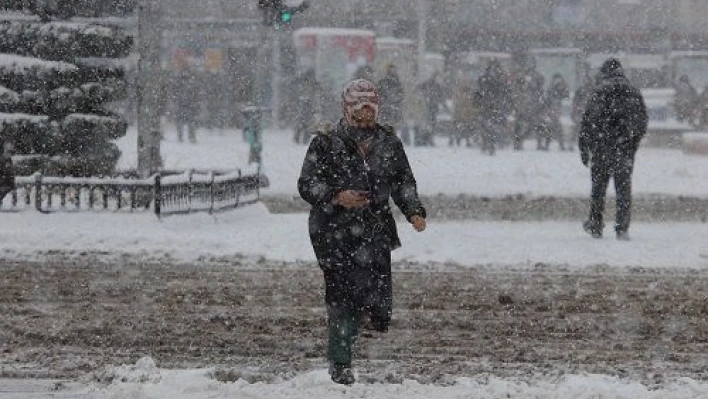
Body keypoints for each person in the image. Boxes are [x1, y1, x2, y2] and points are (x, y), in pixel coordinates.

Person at [297, 79, 427, 385]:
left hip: (376, 230)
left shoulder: (389, 143)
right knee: (342, 297)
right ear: (347, 108)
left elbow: (403, 181)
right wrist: (336, 197)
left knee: (378, 304)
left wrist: (414, 211)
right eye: (360, 109)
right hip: (333, 232)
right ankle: (340, 362)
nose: (366, 115)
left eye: (371, 109)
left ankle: (360, 326)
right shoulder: (326, 143)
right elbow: (307, 183)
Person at [579, 58, 648, 241]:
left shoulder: (599, 92)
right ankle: (622, 228)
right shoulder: (633, 92)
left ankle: (595, 223)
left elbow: (588, 122)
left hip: (602, 149)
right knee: (623, 190)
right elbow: (642, 123)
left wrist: (585, 148)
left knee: (598, 190)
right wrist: (631, 144)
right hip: (624, 151)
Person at [477, 60, 512, 155]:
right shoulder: (498, 79)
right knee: (492, 126)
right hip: (493, 105)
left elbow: (479, 91)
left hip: (490, 105)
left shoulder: (485, 78)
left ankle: (488, 143)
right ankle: (490, 143)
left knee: (488, 126)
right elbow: (505, 91)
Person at [538, 73, 570, 151]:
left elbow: (566, 95)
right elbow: (546, 100)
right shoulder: (550, 90)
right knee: (552, 127)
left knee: (555, 127)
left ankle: (556, 144)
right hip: (552, 110)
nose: (557, 82)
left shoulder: (561, 89)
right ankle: (551, 144)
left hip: (558, 111)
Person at [292, 69, 323, 144]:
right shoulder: (309, 83)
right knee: (305, 123)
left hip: (306, 105)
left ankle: (300, 138)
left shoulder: (305, 82)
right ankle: (301, 138)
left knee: (303, 123)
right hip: (306, 104)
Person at [173, 64, 201, 143]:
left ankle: (186, 137)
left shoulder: (182, 82)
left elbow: (196, 94)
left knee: (186, 122)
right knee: (186, 122)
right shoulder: (187, 82)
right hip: (184, 105)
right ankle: (185, 137)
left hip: (187, 105)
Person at [377, 64, 405, 128]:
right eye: (391, 70)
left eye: (394, 70)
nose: (392, 71)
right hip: (385, 110)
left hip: (394, 111)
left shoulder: (398, 83)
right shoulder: (383, 82)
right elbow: (379, 94)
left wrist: (395, 100)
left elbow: (401, 96)